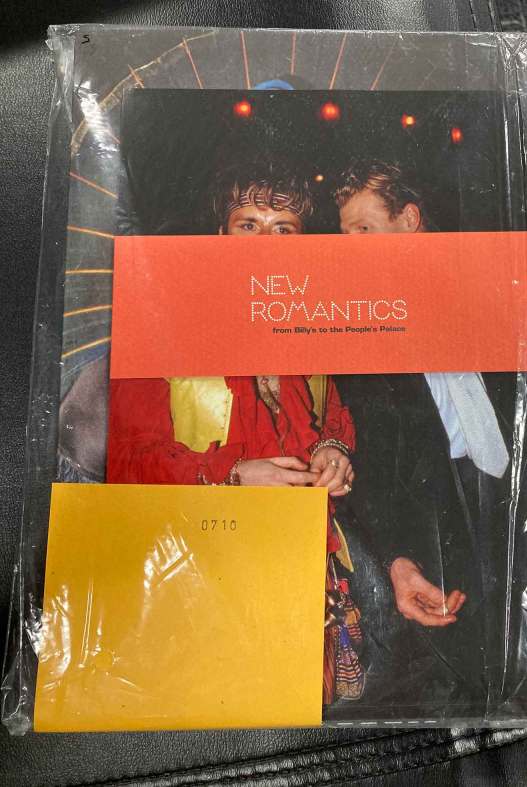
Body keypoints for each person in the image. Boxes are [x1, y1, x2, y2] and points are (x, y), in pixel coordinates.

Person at [107, 162, 363, 705]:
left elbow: (331, 415)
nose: (265, 243)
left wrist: (334, 451)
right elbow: (126, 461)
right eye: (249, 224)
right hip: (202, 573)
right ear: (221, 234)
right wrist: (232, 475)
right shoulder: (159, 325)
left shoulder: (310, 320)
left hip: (302, 565)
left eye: (283, 229)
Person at [332, 159, 527, 715]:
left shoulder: (491, 283)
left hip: (523, 485)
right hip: (442, 518)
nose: (349, 247)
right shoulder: (356, 325)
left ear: (410, 219)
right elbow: (371, 456)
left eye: (364, 229)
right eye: (344, 234)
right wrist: (401, 555)